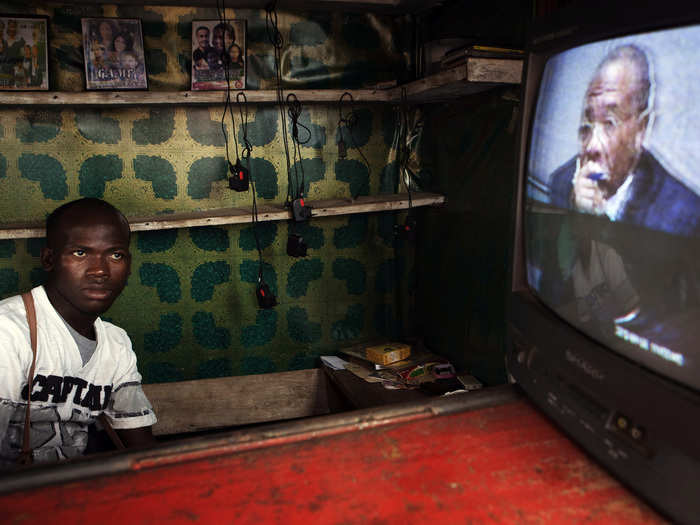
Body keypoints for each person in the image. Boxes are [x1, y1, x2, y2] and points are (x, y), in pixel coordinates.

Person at [0, 198, 156, 467]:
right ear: (49, 259)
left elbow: (142, 449)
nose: (100, 271)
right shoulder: (10, 330)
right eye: (80, 253)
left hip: (77, 494)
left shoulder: (115, 344)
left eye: (115, 255)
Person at [548, 45, 700, 237]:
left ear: (641, 128)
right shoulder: (561, 183)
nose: (592, 146)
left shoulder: (683, 217)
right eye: (588, 123)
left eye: (610, 123)